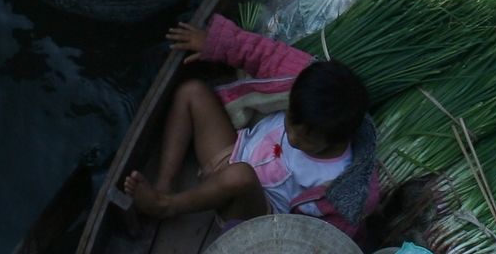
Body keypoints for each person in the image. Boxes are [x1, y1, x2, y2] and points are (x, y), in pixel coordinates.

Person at [122, 16, 380, 236]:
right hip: (232, 153)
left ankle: (167, 205)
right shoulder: (303, 79)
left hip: (253, 211)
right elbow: (268, 55)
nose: (293, 135)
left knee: (241, 176)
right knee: (192, 92)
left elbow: (328, 234)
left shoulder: (342, 183)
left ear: (335, 139)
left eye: (307, 136)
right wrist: (214, 43)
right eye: (291, 120)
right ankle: (165, 184)